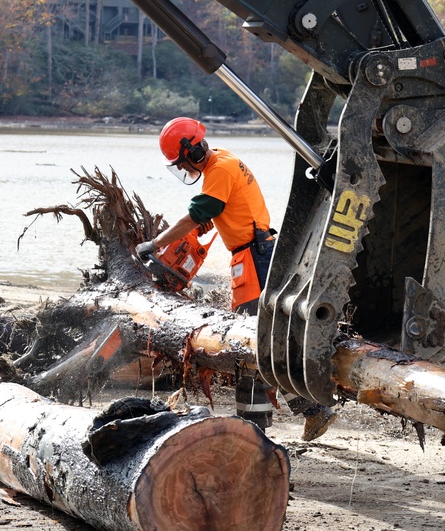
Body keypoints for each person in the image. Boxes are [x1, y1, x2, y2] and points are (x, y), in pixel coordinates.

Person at [137, 117, 336, 439]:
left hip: (254, 257)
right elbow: (219, 210)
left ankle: (257, 427)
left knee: (248, 343)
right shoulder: (224, 159)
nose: (184, 170)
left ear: (193, 153)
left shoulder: (218, 170)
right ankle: (308, 411)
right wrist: (203, 224)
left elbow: (199, 213)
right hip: (258, 251)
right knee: (262, 341)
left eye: (182, 163)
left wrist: (157, 243)